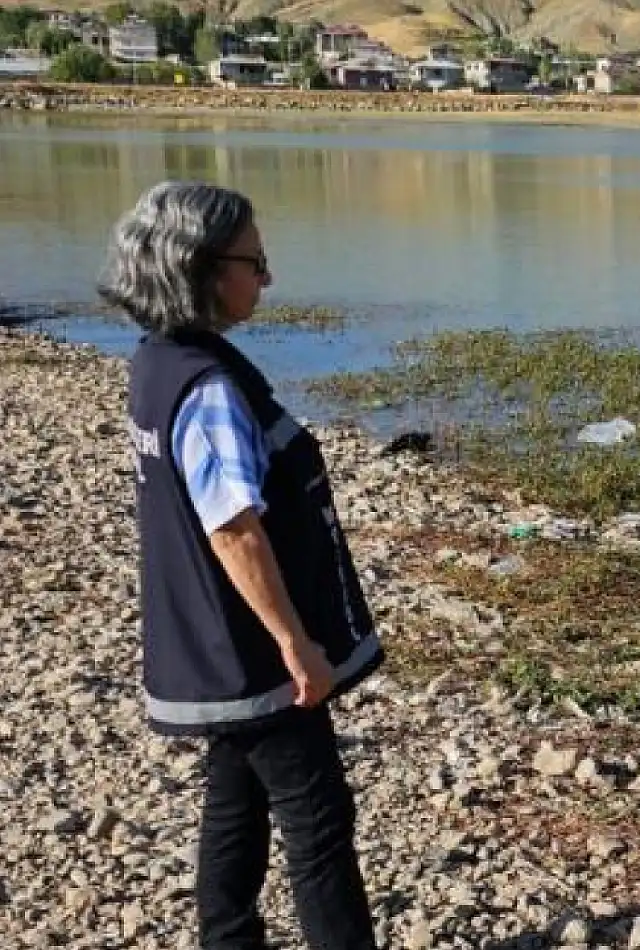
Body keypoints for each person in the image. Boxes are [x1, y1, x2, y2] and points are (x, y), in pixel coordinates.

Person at [100, 181, 384, 950]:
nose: (267, 277)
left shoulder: (158, 361)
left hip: (210, 649)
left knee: (236, 803)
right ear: (200, 268)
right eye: (254, 262)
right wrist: (295, 645)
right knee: (319, 822)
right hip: (253, 655)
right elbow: (233, 531)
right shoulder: (210, 388)